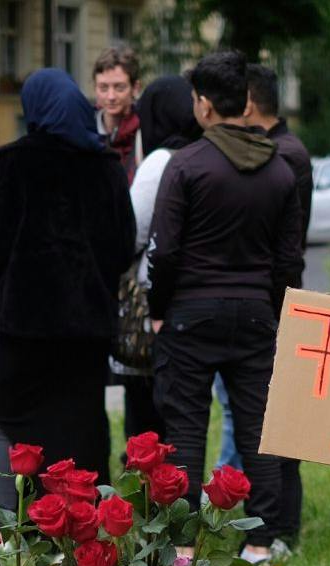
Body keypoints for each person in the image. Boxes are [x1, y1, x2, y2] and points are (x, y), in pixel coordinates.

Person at [147, 50, 303, 564]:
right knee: (259, 430)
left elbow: (164, 250)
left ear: (205, 105)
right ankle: (260, 543)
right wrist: (276, 308)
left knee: (187, 429)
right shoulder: (281, 170)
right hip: (257, 312)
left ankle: (185, 548)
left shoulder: (186, 165)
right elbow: (288, 259)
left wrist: (158, 306)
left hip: (190, 313)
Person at [0, 68, 135, 508]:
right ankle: (84, 524)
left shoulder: (12, 167)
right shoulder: (107, 170)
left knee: (13, 424)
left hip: (24, 328)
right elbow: (123, 248)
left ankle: (6, 528)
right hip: (87, 329)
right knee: (82, 423)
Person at [239, 61, 313, 549]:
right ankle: (276, 523)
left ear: (246, 103)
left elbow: (284, 249)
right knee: (272, 418)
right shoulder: (286, 151)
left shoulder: (281, 156)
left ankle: (281, 527)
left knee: (277, 423)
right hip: (275, 300)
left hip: (275, 304)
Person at [121, 74, 202, 445]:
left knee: (147, 413)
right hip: (196, 297)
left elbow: (131, 230)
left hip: (155, 299)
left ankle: (151, 497)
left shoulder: (160, 162)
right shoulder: (204, 155)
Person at [94, 45, 143, 183]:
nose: (111, 96)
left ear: (135, 88)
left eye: (119, 87)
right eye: (103, 88)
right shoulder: (84, 130)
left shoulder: (145, 133)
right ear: (95, 88)